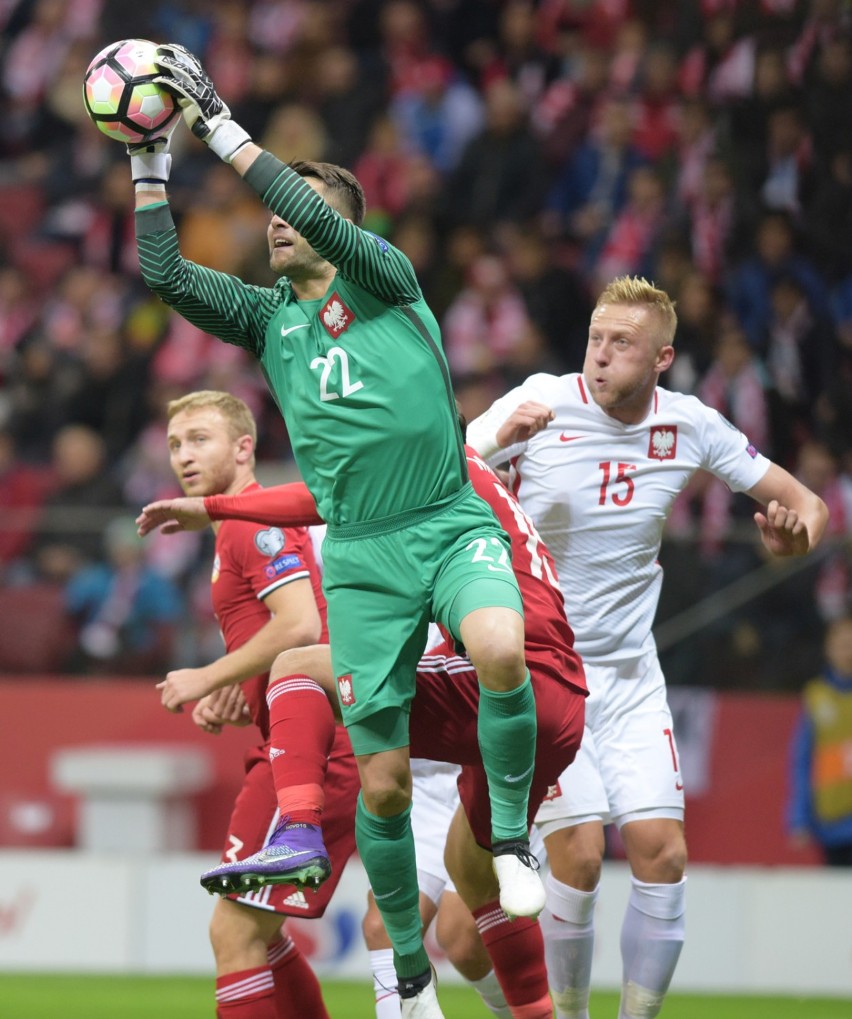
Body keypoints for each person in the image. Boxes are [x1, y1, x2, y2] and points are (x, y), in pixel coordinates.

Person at [128, 43, 542, 1015]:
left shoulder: (389, 281)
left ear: (342, 228)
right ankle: (402, 961)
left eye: (294, 207)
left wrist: (221, 126)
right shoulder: (273, 323)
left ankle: (512, 835)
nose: (275, 219)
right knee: (387, 787)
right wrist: (151, 163)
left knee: (498, 647)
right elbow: (165, 275)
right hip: (358, 559)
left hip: (446, 522)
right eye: (271, 209)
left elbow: (311, 206)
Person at [465, 274, 830, 1019]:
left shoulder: (690, 424)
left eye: (621, 343)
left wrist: (795, 542)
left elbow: (809, 506)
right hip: (543, 674)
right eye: (595, 338)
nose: (599, 356)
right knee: (581, 855)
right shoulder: (541, 399)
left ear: (662, 358)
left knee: (662, 852)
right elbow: (436, 476)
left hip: (631, 677)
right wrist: (498, 443)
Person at [138, 435, 588, 1018]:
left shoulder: (419, 475)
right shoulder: (464, 473)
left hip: (493, 686)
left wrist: (219, 507)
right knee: (469, 881)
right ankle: (528, 1000)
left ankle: (316, 855)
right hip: (550, 699)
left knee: (321, 699)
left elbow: (315, 531)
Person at [153, 389, 361, 1019]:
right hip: (303, 735)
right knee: (260, 936)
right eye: (175, 445)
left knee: (233, 933)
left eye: (200, 439)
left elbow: (299, 628)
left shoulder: (250, 523)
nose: (184, 456)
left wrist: (203, 675)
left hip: (316, 749)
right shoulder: (236, 528)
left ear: (244, 447)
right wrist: (238, 691)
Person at [788, 614, 852, 867]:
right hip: (832, 820)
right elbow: (802, 760)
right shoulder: (817, 697)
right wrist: (799, 817)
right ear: (829, 649)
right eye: (843, 645)